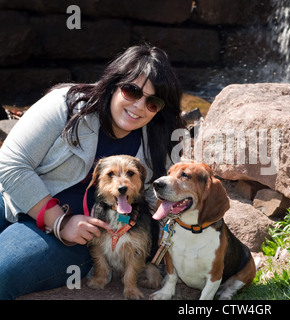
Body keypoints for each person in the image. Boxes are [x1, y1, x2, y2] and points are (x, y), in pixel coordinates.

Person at [0, 45, 185, 299]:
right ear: (113, 83)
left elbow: (161, 204)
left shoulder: (161, 142)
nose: (139, 106)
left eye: (153, 102)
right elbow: (10, 163)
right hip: (15, 199)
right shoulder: (65, 104)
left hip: (81, 241)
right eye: (132, 91)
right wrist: (59, 221)